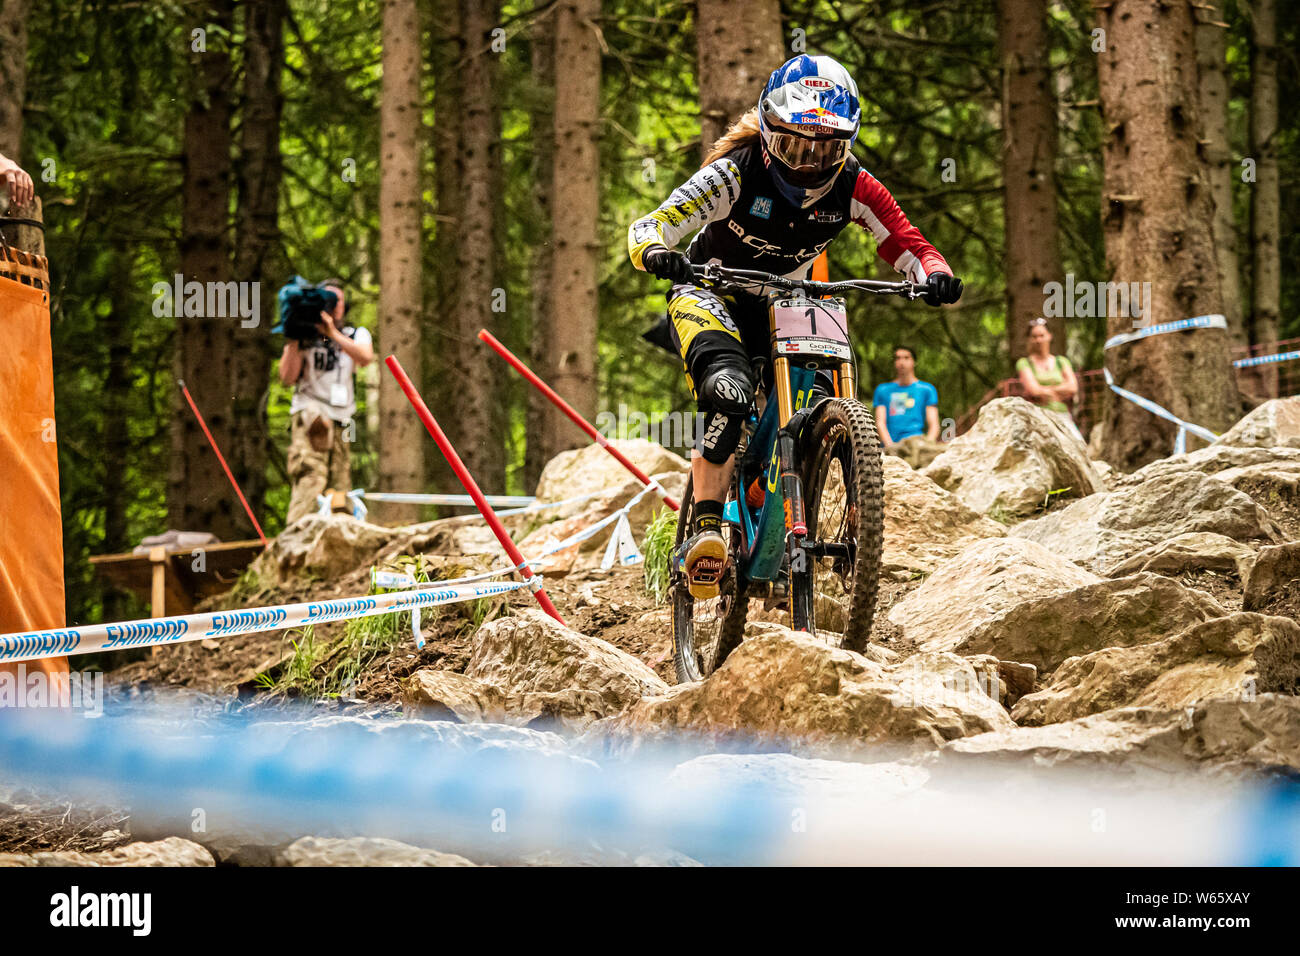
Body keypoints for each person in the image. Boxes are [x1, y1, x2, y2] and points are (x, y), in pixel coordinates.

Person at [627, 54, 962, 598]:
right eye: (795, 146)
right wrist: (656, 252)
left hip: (788, 299)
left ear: (845, 146)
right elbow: (653, 223)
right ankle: (707, 530)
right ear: (767, 131)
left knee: (819, 393)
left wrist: (935, 273)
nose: (808, 164)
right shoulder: (734, 172)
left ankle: (784, 497)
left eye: (824, 149)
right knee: (729, 394)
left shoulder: (855, 186)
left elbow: (907, 242)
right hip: (712, 293)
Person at [278, 278, 375, 523]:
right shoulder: (305, 335)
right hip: (311, 410)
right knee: (311, 475)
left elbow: (365, 357)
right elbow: (287, 378)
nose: (333, 305)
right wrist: (294, 338)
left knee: (340, 485)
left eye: (337, 300)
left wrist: (331, 333)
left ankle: (337, 537)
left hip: (342, 419)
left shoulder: (355, 334)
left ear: (344, 305)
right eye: (327, 299)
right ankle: (297, 536)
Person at [872, 345, 945, 468]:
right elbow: (880, 423)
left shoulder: (927, 389)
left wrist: (927, 445)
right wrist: (891, 449)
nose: (902, 362)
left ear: (913, 362)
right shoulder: (883, 390)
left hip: (917, 442)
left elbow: (934, 425)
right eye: (898, 358)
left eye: (906, 358)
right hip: (891, 447)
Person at [1016, 317, 1083, 442]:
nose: (1038, 340)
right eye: (1034, 336)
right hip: (1038, 417)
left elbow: (1073, 387)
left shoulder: (1061, 361)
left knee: (1079, 445)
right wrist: (1061, 389)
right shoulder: (1024, 363)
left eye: (1041, 335)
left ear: (1049, 336)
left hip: (1062, 416)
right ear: (1029, 339)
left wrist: (1046, 390)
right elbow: (1034, 390)